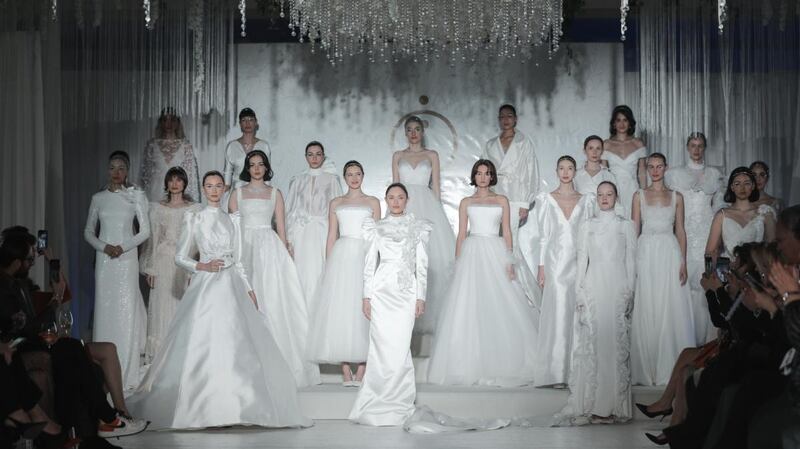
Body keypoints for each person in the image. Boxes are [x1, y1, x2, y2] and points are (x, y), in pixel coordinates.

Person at [127, 171, 312, 430]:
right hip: (206, 287)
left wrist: (249, 289)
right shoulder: (196, 217)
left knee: (235, 344)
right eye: (209, 186)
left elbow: (238, 262)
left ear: (225, 189)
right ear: (203, 188)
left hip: (232, 285)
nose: (214, 190)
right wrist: (201, 266)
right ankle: (203, 405)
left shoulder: (232, 220)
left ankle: (234, 405)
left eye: (218, 186)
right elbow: (180, 257)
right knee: (204, 343)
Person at [1, 235, 146, 449]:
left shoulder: (21, 284)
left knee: (75, 350)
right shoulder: (7, 288)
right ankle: (106, 420)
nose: (32, 264)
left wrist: (52, 263)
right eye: (30, 260)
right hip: (24, 344)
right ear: (16, 262)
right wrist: (54, 303)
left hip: (36, 340)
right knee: (71, 350)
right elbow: (28, 326)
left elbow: (60, 294)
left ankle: (108, 419)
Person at [427, 160, 539, 387]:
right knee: (469, 305)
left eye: (487, 174)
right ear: (474, 176)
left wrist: (509, 260)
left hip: (495, 252)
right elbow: (461, 235)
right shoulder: (466, 202)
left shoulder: (501, 200)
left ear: (492, 177)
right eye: (478, 173)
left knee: (499, 303)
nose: (482, 177)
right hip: (472, 253)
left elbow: (507, 231)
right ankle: (468, 364)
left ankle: (505, 360)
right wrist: (458, 262)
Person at [229, 151, 319, 387]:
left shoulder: (275, 193)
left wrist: (286, 251)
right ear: (247, 168)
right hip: (243, 248)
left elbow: (281, 229)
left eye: (260, 164)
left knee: (271, 299)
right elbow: (230, 229)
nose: (256, 168)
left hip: (268, 249)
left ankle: (277, 362)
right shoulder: (236, 194)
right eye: (252, 164)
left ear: (266, 167)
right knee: (244, 300)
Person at [349, 183, 431, 426]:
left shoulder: (418, 227)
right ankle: (376, 399)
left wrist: (421, 297)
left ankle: (400, 401)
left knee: (400, 346)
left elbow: (422, 265)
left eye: (400, 197)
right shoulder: (377, 227)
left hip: (406, 292)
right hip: (381, 290)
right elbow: (368, 264)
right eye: (391, 197)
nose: (396, 201)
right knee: (380, 345)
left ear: (407, 200)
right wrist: (366, 296)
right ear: (386, 200)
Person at [555, 181, 636, 425]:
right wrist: (579, 291)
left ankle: (613, 406)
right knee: (594, 343)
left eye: (609, 194)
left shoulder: (626, 226)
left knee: (613, 343)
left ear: (616, 197)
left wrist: (630, 291)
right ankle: (591, 405)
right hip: (593, 285)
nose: (604, 198)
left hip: (617, 285)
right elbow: (582, 260)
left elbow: (631, 260)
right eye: (600, 194)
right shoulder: (587, 225)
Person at [307, 161, 380, 386]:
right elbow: (331, 235)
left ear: (363, 175)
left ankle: (363, 369)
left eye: (358, 173)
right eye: (349, 174)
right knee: (341, 310)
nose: (354, 177)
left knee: (364, 309)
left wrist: (377, 263)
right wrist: (329, 264)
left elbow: (377, 236)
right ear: (344, 177)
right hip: (341, 256)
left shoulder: (373, 202)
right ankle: (346, 370)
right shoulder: (336, 202)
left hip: (364, 254)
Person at [83, 151, 149, 390]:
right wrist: (105, 247)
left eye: (121, 168)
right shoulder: (98, 198)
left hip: (127, 259)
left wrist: (122, 247)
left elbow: (145, 231)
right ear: (107, 170)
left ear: (127, 170)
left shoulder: (136, 196)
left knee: (126, 310)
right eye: (112, 167)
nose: (117, 172)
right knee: (105, 310)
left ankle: (127, 373)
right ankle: (103, 372)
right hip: (104, 261)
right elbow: (88, 232)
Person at [630, 153, 695, 386]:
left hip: (669, 251)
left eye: (659, 166)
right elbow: (634, 231)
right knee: (648, 304)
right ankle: (648, 368)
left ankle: (669, 367)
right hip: (646, 251)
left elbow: (681, 230)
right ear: (646, 169)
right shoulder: (638, 196)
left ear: (666, 168)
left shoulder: (677, 197)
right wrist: (631, 262)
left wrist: (684, 261)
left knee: (669, 304)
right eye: (651, 166)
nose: (655, 170)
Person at [391, 116, 455, 334]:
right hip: (405, 206)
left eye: (417, 129)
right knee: (404, 258)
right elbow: (395, 188)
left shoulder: (432, 155)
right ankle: (402, 313)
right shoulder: (398, 156)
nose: (413, 133)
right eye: (409, 129)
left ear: (422, 132)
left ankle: (430, 316)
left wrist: (438, 214)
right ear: (405, 133)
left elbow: (436, 187)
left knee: (431, 258)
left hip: (428, 206)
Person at [534, 156, 593, 388]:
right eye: (561, 168)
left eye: (570, 168)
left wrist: (591, 265)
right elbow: (544, 236)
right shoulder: (547, 200)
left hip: (579, 262)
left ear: (575, 171)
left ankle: (576, 371)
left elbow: (589, 235)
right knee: (558, 312)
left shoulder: (587, 200)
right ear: (556, 171)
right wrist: (541, 267)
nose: (566, 172)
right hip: (556, 263)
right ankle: (557, 373)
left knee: (578, 313)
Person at [665, 132, 725, 345]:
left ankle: (707, 340)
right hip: (685, 233)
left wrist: (718, 241)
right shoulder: (674, 175)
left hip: (708, 234)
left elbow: (719, 209)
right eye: (693, 145)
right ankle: (685, 339)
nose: (697, 149)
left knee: (705, 281)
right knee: (684, 283)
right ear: (687, 147)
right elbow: (671, 207)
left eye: (700, 145)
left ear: (705, 148)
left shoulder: (714, 174)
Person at [139, 167, 200, 363]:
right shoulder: (156, 208)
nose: (175, 183)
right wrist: (150, 267)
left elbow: (197, 240)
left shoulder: (194, 209)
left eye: (179, 180)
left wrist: (193, 267)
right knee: (160, 306)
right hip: (163, 260)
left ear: (184, 183)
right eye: (171, 180)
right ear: (166, 183)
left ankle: (181, 352)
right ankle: (159, 356)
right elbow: (153, 240)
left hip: (184, 262)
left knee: (181, 304)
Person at [286, 141, 343, 304]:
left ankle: (319, 314)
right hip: (301, 232)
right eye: (310, 154)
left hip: (323, 231)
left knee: (320, 270)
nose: (314, 158)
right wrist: (289, 240)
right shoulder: (297, 180)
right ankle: (302, 314)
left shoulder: (332, 179)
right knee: (301, 271)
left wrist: (337, 237)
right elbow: (290, 209)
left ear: (323, 156)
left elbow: (337, 209)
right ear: (305, 157)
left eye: (318, 154)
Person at [482, 104, 540, 251]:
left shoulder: (524, 142)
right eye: (502, 117)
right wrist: (483, 195)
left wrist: (525, 203)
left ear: (515, 119)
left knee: (510, 239)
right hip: (494, 195)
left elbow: (531, 172)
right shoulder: (490, 145)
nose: (505, 120)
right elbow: (482, 170)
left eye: (509, 116)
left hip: (516, 196)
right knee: (493, 237)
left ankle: (511, 272)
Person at [705, 167, 776, 265]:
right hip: (729, 273)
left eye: (746, 183)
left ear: (753, 186)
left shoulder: (765, 213)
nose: (742, 188)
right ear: (732, 187)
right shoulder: (722, 215)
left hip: (757, 271)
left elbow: (772, 250)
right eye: (737, 184)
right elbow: (710, 252)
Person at [138, 108, 201, 203]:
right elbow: (144, 176)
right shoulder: (151, 145)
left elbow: (191, 176)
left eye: (172, 119)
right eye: (165, 120)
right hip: (155, 193)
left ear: (177, 122)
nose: (169, 123)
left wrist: (192, 201)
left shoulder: (185, 146)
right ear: (161, 122)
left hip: (178, 192)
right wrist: (140, 200)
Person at [603, 105, 647, 214]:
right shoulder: (607, 144)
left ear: (630, 123)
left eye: (625, 120)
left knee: (633, 223)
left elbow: (642, 173)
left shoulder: (638, 143)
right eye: (618, 120)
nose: (622, 124)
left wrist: (644, 194)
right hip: (613, 190)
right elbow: (604, 172)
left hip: (632, 189)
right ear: (614, 123)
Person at [222, 108, 271, 193]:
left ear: (256, 122)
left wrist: (268, 194)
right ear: (240, 124)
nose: (247, 123)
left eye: (251, 120)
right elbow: (227, 173)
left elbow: (267, 171)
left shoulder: (264, 146)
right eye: (244, 120)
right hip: (237, 192)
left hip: (258, 192)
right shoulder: (232, 146)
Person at [574, 135, 616, 209]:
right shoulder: (575, 175)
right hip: (582, 218)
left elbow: (616, 203)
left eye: (598, 148)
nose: (594, 152)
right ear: (584, 151)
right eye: (591, 148)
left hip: (603, 218)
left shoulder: (609, 176)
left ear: (602, 151)